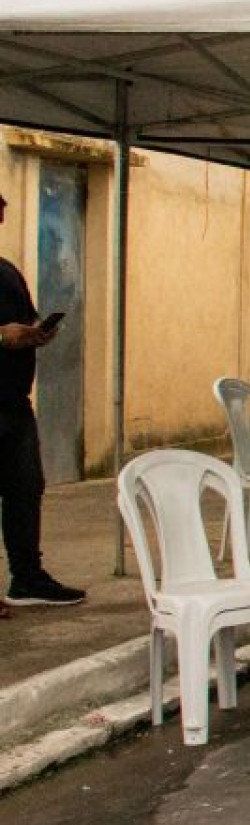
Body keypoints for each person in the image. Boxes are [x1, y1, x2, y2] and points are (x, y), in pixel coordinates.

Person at [0, 189, 81, 611]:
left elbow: (27, 319)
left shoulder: (7, 272)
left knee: (26, 488)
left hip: (14, 402)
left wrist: (37, 332)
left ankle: (27, 576)